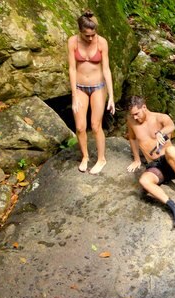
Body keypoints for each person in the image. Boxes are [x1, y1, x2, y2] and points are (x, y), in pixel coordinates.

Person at [125, 96, 175, 229]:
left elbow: (171, 126)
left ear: (144, 107)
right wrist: (137, 159)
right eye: (132, 114)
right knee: (144, 181)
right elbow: (132, 139)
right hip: (155, 166)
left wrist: (160, 133)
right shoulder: (131, 121)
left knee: (172, 150)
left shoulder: (160, 117)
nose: (134, 117)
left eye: (137, 113)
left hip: (171, 162)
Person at [67, 10, 115, 175]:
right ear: (80, 31)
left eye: (93, 35)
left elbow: (107, 69)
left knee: (95, 125)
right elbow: (72, 69)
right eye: (87, 35)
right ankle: (85, 156)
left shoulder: (102, 42)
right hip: (80, 87)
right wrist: (74, 95)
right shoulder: (72, 42)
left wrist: (112, 96)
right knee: (80, 127)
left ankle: (101, 158)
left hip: (98, 87)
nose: (91, 38)